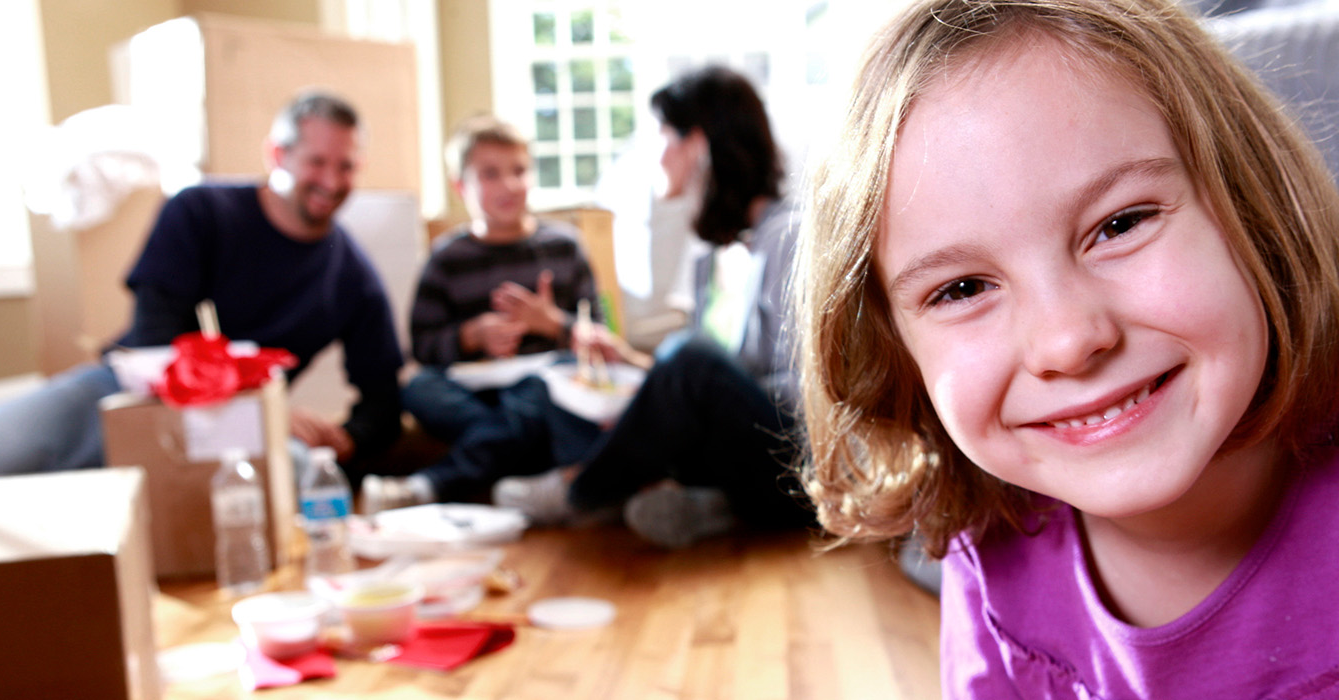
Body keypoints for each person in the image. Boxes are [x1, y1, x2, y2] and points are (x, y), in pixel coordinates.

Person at [794, 0, 1339, 696]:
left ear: (1254, 207)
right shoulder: (991, 554)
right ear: (893, 351)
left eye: (1121, 224)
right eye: (962, 289)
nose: (1069, 341)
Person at [0, 90, 404, 481]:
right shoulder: (201, 212)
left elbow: (383, 397)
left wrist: (348, 437)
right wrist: (259, 409)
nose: (330, 180)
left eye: (345, 167)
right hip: (132, 394)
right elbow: (153, 341)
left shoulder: (353, 277)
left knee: (306, 477)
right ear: (277, 155)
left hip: (240, 433)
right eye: (316, 162)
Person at [491, 66, 814, 549]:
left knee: (688, 356)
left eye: (664, 134)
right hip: (745, 452)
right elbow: (723, 385)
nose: (656, 153)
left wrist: (675, 391)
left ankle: (581, 493)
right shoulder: (718, 254)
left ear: (699, 145)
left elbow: (807, 393)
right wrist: (644, 376)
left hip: (800, 466)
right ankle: (708, 507)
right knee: (603, 378)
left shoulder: (788, 237)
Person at [364, 115, 600, 508]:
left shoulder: (565, 246)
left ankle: (429, 486)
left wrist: (552, 323)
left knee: (545, 389)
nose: (509, 185)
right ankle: (523, 451)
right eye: (490, 174)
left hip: (541, 384)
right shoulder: (446, 258)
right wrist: (472, 335)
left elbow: (600, 336)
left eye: (519, 171)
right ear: (462, 186)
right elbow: (423, 346)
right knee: (419, 389)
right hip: (474, 391)